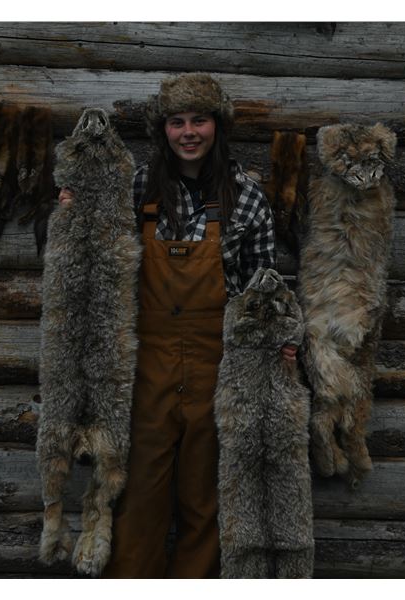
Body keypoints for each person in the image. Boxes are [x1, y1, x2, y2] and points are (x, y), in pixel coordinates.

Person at [58, 72, 297, 578]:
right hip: (146, 364)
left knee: (203, 495)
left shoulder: (246, 197)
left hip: (218, 365)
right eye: (177, 122)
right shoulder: (137, 186)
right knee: (139, 491)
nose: (189, 132)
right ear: (163, 130)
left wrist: (280, 343)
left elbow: (262, 288)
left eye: (199, 120)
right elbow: (92, 251)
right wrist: (72, 213)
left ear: (217, 126)